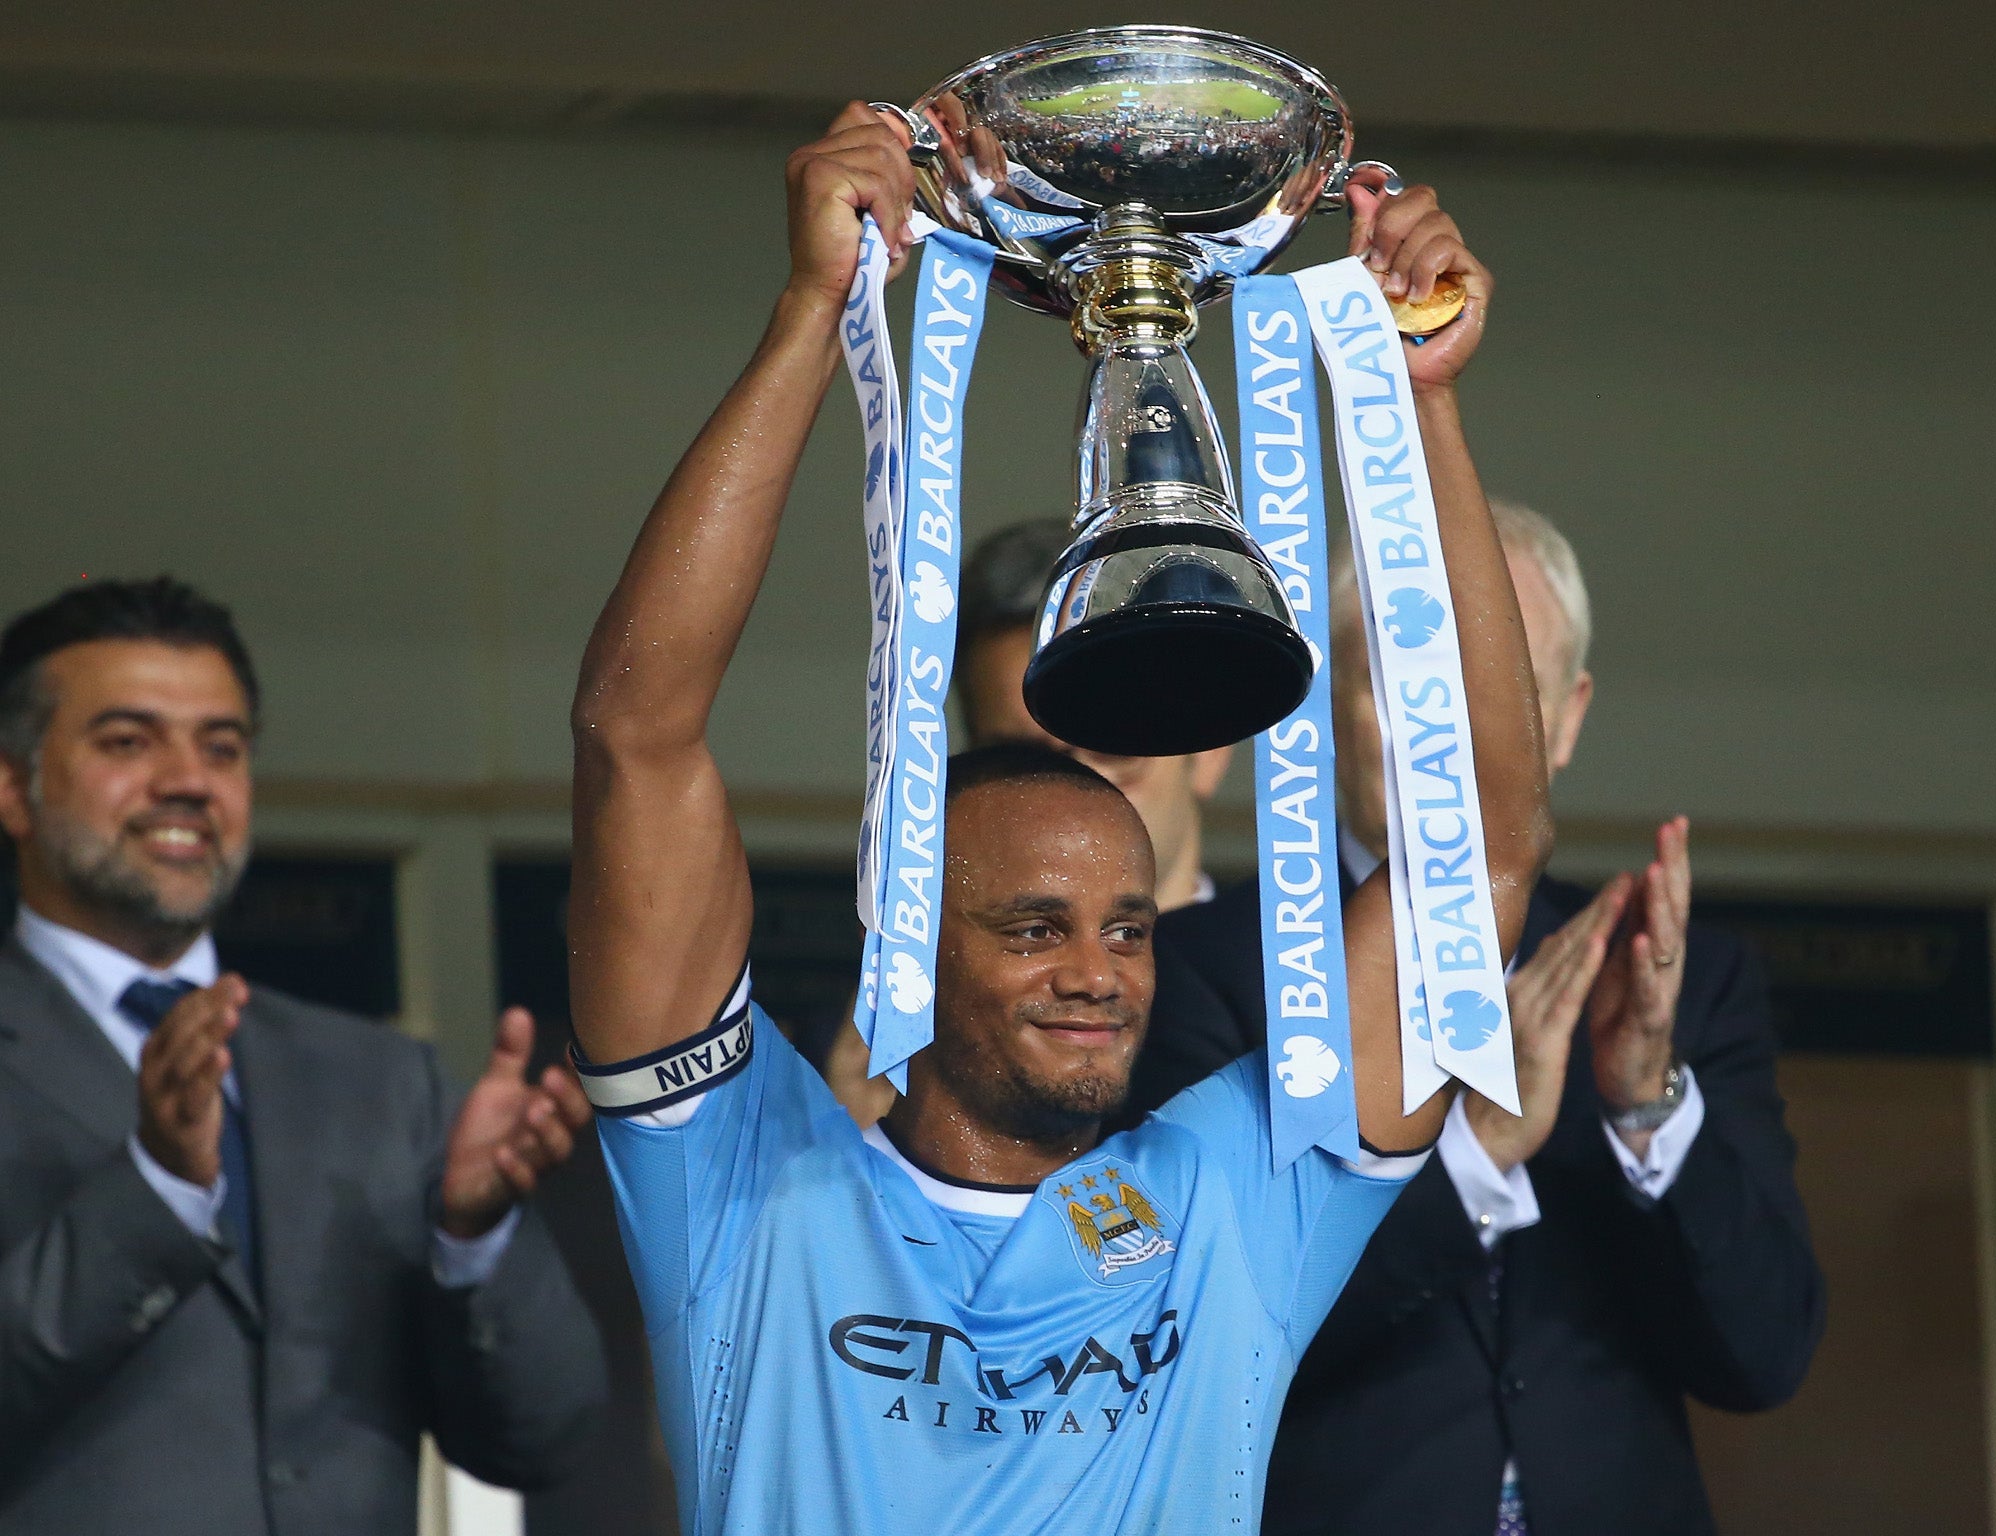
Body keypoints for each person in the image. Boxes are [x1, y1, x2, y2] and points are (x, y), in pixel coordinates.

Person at [565, 104, 1550, 1533]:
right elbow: (631, 737)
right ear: (913, 933)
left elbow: (1484, 854)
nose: (1098, 973)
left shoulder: (1228, 1209)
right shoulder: (744, 1182)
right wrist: (810, 317)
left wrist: (1424, 409)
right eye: (1034, 928)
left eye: (1128, 930)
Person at [1238, 505, 1827, 1534]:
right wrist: (1471, 1152)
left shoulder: (1679, 984)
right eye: (1404, 679)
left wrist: (1644, 1105)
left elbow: (1761, 1355)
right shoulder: (1207, 971)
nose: (1446, 731)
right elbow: (1206, 1345)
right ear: (1326, 699)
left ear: (1564, 717)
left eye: (1499, 690)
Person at [0, 577, 606, 1535]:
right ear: (12, 788)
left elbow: (544, 1438)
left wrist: (473, 1240)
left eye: (222, 747)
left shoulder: (379, 1082)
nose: (187, 781)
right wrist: (154, 1189)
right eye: (128, 741)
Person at [822, 517, 1238, 1125]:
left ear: (1210, 752)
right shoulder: (859, 1050)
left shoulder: (1307, 1010)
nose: (1070, 799)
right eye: (1023, 761)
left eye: (1111, 745)